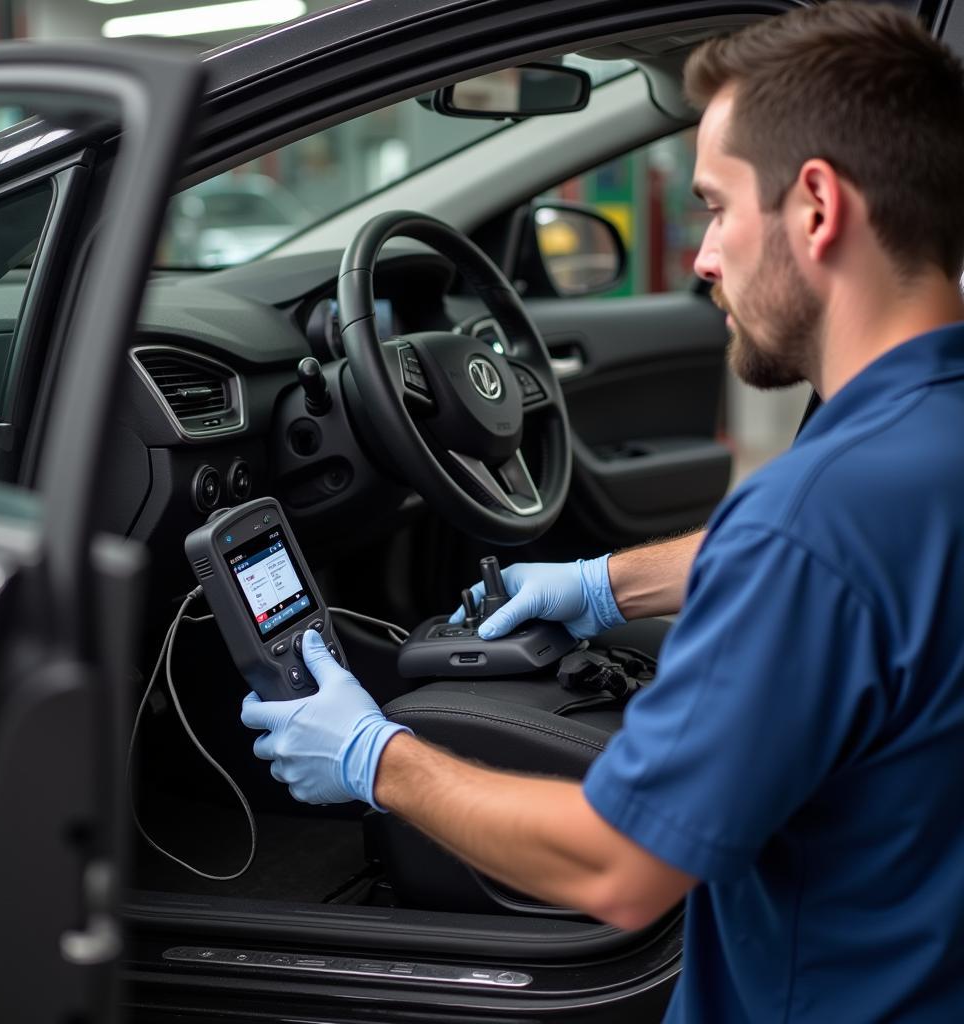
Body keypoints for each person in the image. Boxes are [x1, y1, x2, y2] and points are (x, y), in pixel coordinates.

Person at [240, 4, 964, 1019]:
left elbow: (620, 868)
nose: (703, 257)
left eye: (715, 208)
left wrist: (377, 758)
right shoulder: (918, 452)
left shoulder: (811, 524)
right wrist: (602, 582)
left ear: (814, 206)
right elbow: (872, 568)